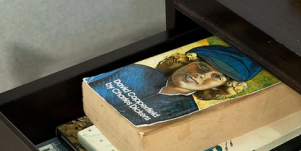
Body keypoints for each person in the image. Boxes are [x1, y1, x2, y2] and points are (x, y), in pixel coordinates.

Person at [86, 44, 263, 126]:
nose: (201, 75)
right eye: (202, 66)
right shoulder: (134, 71)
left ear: (221, 87)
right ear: (187, 61)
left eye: (216, 76)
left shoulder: (187, 111)